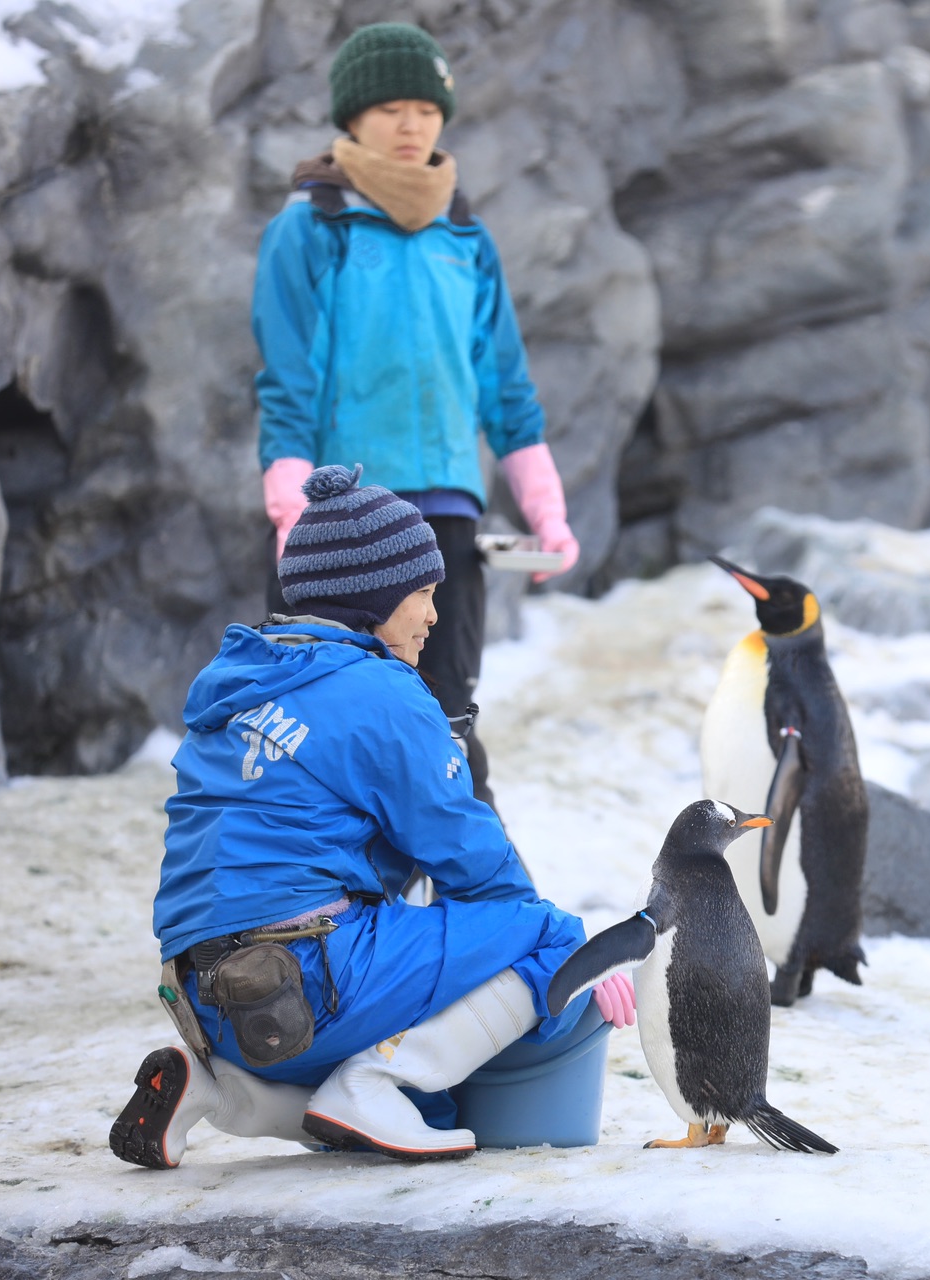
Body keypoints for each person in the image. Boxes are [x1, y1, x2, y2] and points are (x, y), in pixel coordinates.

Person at [110, 467, 634, 1169]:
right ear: (374, 598)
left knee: (433, 1109)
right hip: (305, 974)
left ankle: (218, 1089)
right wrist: (560, 970)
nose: (433, 616)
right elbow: (466, 851)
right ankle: (380, 1082)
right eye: (423, 593)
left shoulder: (240, 686)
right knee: (548, 934)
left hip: (207, 997)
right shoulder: (376, 691)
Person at [253, 21, 579, 808]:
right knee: (328, 721)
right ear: (353, 117)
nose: (411, 126)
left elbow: (503, 382)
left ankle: (483, 912)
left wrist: (542, 502)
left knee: (445, 722)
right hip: (342, 522)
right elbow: (286, 378)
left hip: (446, 518)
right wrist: (291, 502)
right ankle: (332, 911)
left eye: (426, 109)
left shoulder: (464, 236)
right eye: (392, 107)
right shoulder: (310, 226)